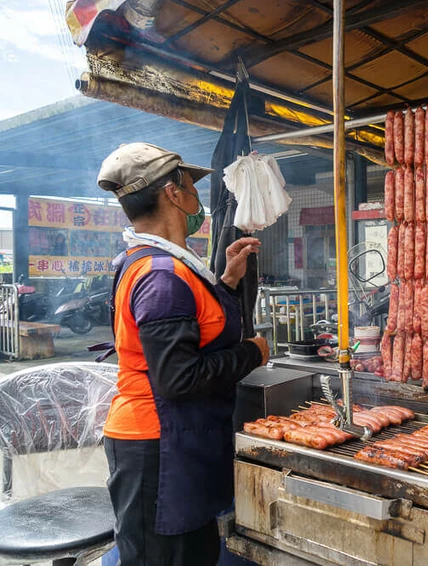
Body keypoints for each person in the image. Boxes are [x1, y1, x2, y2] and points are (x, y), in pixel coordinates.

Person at [96, 142, 270, 565]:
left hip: (172, 441)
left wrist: (227, 282)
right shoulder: (161, 275)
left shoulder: (160, 263)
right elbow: (179, 378)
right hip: (157, 447)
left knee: (193, 553)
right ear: (173, 193)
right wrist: (252, 352)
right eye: (191, 186)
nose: (197, 199)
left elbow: (194, 329)